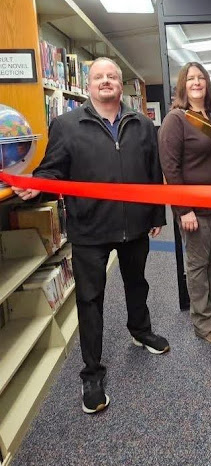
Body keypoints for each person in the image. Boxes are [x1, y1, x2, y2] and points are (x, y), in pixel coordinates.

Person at [11, 58, 169, 415]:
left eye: (112, 76)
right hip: (90, 227)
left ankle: (140, 330)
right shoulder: (66, 125)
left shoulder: (142, 124)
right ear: (89, 84)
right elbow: (53, 170)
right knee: (90, 298)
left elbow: (152, 171)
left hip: (135, 224)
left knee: (137, 283)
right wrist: (33, 187)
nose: (105, 81)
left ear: (120, 83)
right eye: (98, 77)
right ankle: (92, 372)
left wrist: (156, 214)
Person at [158, 62, 211, 344]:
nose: (197, 82)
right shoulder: (176, 119)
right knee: (198, 265)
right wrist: (183, 209)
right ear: (183, 85)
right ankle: (203, 320)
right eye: (191, 78)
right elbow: (170, 168)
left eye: (201, 77)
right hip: (194, 210)